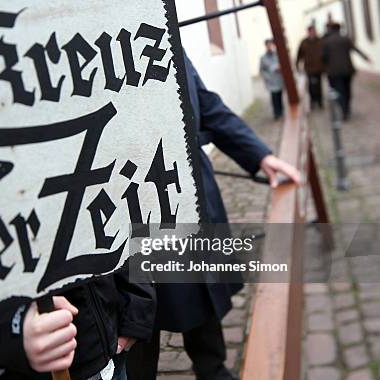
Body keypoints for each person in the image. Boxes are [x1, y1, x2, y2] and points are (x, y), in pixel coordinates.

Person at [126, 54, 301, 380]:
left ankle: (212, 367)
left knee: (200, 284)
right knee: (137, 314)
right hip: (133, 200)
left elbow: (206, 105)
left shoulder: (161, 25)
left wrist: (259, 154)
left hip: (191, 190)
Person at [0, 269, 156, 380]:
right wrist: (9, 330)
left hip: (111, 347)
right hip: (17, 370)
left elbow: (137, 198)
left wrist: (139, 301)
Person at [323, 22, 372, 120]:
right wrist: (366, 58)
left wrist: (325, 66)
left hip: (334, 72)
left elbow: (323, 57)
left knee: (340, 91)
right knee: (347, 90)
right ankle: (347, 108)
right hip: (347, 70)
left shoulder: (327, 42)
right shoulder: (345, 39)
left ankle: (344, 110)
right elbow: (356, 49)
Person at [297, 25, 325, 109]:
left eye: (314, 31)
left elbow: (325, 53)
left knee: (319, 85)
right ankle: (313, 101)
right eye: (311, 31)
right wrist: (297, 65)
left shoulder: (320, 41)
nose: (313, 33)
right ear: (308, 32)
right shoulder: (304, 42)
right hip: (309, 68)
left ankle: (320, 101)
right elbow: (299, 55)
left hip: (319, 67)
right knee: (311, 86)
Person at [259, 39, 285, 120]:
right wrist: (268, 77)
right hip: (271, 81)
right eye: (268, 45)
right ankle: (276, 113)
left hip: (278, 79)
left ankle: (281, 111)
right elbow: (261, 70)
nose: (269, 47)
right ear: (265, 46)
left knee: (279, 96)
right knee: (274, 97)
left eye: (270, 45)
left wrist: (280, 69)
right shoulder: (263, 58)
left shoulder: (277, 55)